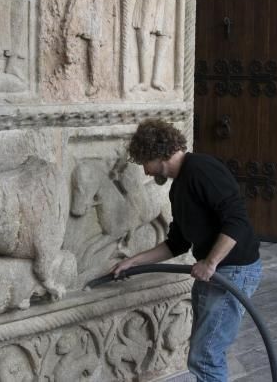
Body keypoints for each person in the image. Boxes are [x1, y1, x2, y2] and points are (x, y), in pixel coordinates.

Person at [111, 119, 261, 382]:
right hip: (213, 273)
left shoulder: (202, 170)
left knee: (205, 356)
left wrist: (211, 263)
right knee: (206, 353)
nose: (145, 172)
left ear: (157, 154)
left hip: (232, 273)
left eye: (144, 162)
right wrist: (134, 262)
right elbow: (177, 243)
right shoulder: (179, 185)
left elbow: (236, 220)